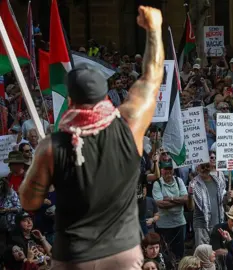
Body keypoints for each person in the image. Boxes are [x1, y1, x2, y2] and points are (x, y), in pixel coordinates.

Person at [18, 6, 165, 269]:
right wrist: (154, 30)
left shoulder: (51, 148)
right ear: (105, 97)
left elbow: (29, 200)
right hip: (123, 254)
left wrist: (45, 177)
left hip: (74, 256)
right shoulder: (129, 129)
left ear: (71, 100)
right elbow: (152, 78)